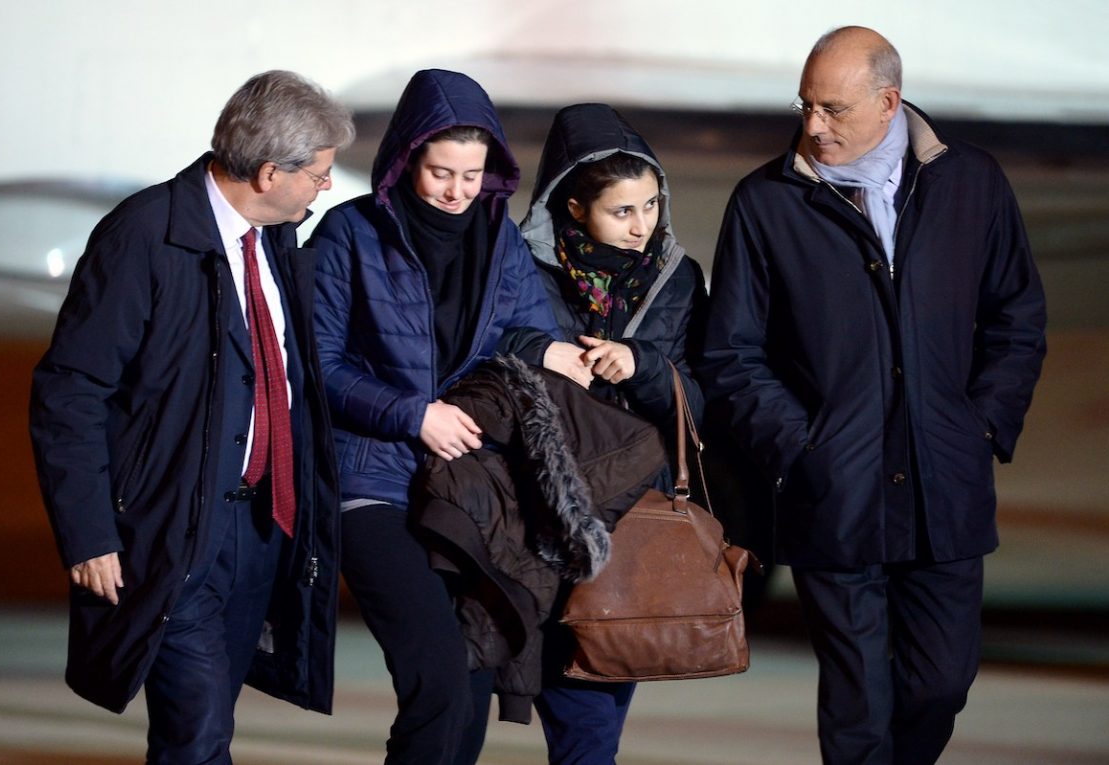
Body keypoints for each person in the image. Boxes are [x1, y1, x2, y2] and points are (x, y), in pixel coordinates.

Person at [698, 26, 1047, 765]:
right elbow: (730, 351)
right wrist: (801, 450)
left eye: (833, 108)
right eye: (805, 106)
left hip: (945, 486)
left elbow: (1016, 318)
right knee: (857, 705)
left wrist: (981, 427)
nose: (813, 125)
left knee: (939, 685)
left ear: (888, 103)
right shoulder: (765, 201)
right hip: (834, 493)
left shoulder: (970, 181)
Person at [28, 70, 354, 763]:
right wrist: (88, 534)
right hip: (172, 533)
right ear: (269, 173)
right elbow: (70, 390)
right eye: (319, 174)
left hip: (260, 528)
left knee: (205, 728)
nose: (325, 187)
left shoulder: (275, 238)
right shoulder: (143, 235)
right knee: (198, 736)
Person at [309, 69, 590, 765]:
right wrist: (413, 414)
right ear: (407, 159)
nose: (457, 190)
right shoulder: (350, 233)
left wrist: (548, 351)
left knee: (469, 685)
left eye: (471, 175)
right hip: (371, 481)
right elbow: (314, 362)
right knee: (436, 676)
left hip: (466, 487)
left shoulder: (501, 243)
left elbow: (523, 336)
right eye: (441, 172)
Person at [519, 102, 707, 764]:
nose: (641, 225)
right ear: (573, 208)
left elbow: (698, 401)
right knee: (581, 710)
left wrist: (642, 365)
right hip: (540, 511)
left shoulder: (676, 278)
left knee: (600, 696)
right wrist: (542, 354)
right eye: (622, 210)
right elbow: (479, 358)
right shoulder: (520, 270)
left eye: (651, 205)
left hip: (631, 516)